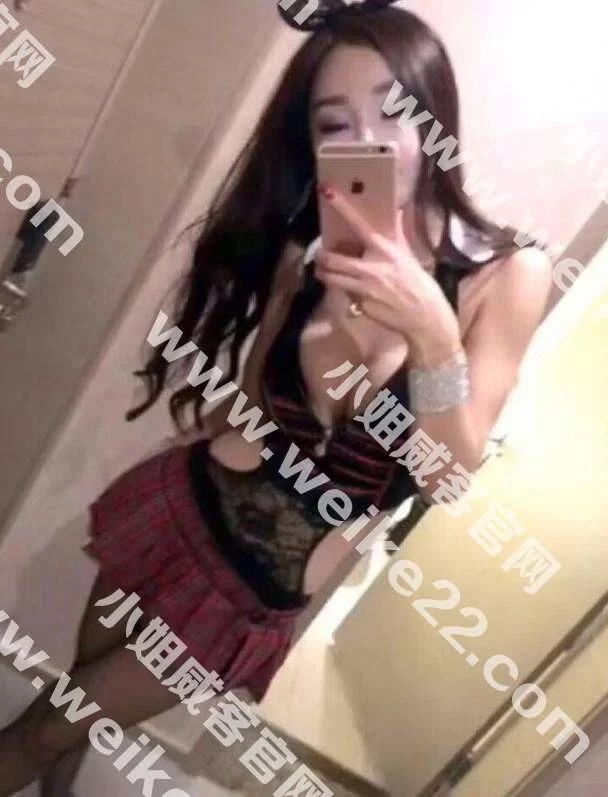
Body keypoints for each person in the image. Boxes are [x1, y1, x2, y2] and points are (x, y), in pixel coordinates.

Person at [0, 1, 553, 794]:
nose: (368, 141)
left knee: (50, 724)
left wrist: (434, 335)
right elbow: (254, 402)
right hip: (182, 507)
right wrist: (296, 300)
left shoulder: (506, 276)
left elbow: (446, 476)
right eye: (335, 124)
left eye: (394, 110)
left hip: (250, 587)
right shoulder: (315, 245)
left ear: (436, 116)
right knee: (74, 702)